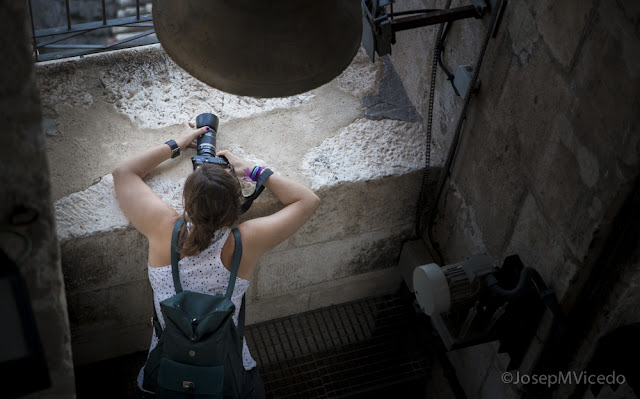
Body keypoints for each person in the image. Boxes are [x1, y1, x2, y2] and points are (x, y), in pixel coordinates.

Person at [113, 121, 320, 398]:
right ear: (238, 208)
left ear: (186, 204)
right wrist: (251, 169)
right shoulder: (245, 241)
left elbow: (123, 172)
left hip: (166, 372)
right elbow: (308, 200)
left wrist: (177, 143)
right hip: (228, 376)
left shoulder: (164, 230)